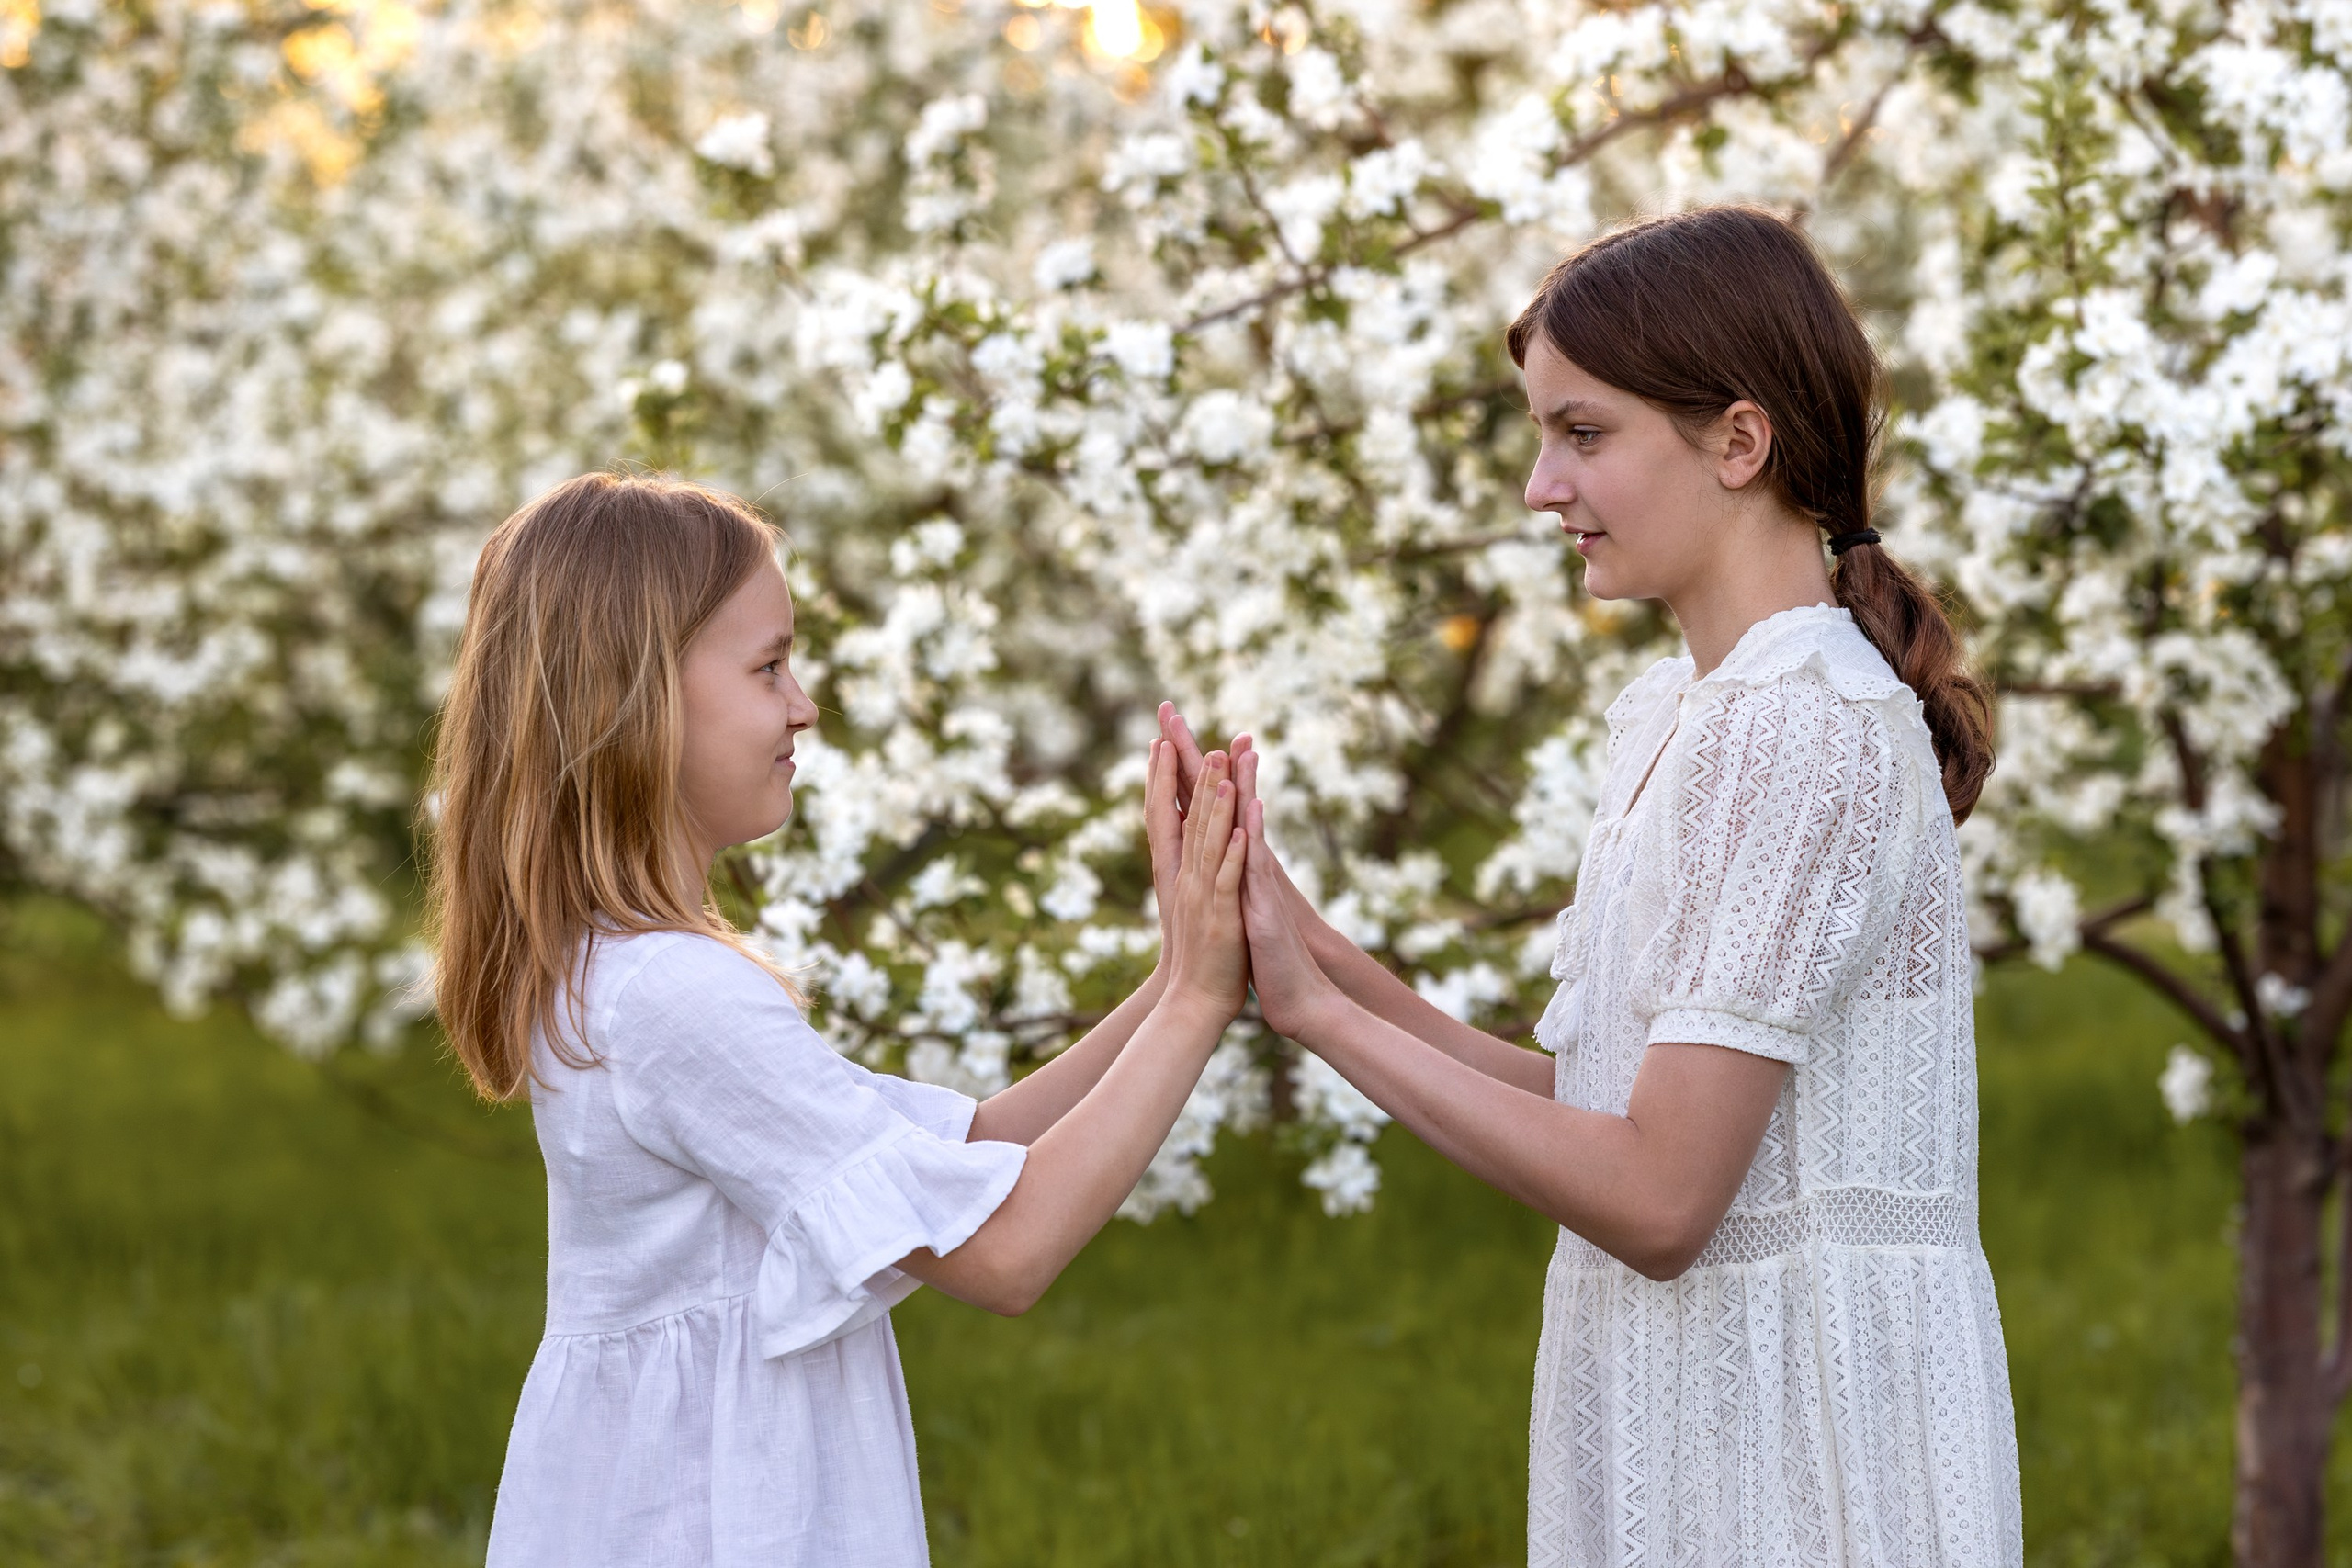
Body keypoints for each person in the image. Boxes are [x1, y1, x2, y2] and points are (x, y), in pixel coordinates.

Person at [1167, 206, 2021, 1565]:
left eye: (1584, 433)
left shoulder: (1800, 723)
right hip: (1698, 1412)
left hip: (1795, 1461)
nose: (1539, 487)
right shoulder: (1684, 712)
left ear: (1740, 442)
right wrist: (1298, 952)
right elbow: (1603, 1106)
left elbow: (1663, 1196)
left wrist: (1326, 1022)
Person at [424, 472, 1249, 1567]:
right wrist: (1195, 1001)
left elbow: (974, 1153)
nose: (805, 703)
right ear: (634, 701)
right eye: (768, 667)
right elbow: (1004, 1253)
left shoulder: (615, 975)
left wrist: (1183, 971)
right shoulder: (674, 998)